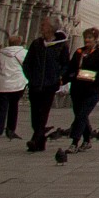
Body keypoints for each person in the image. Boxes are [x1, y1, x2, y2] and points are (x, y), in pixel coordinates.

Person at [23, 18, 71, 153]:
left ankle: (35, 139)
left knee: (43, 113)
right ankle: (41, 139)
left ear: (50, 28)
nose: (41, 27)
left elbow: (66, 64)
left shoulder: (61, 45)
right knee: (34, 114)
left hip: (50, 85)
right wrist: (30, 77)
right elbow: (27, 62)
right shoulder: (37, 43)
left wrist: (58, 77)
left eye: (43, 25)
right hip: (35, 84)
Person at [66, 28, 99, 149]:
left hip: (92, 89)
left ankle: (74, 142)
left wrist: (90, 77)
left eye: (90, 38)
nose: (87, 40)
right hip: (77, 88)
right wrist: (64, 79)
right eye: (85, 37)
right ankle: (87, 139)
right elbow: (71, 68)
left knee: (82, 114)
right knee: (80, 115)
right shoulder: (79, 51)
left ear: (96, 39)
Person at [0, 35, 28, 138]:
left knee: (2, 108)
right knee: (14, 106)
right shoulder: (24, 53)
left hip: (2, 84)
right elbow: (28, 66)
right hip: (18, 84)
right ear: (20, 43)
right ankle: (10, 130)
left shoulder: (1, 54)